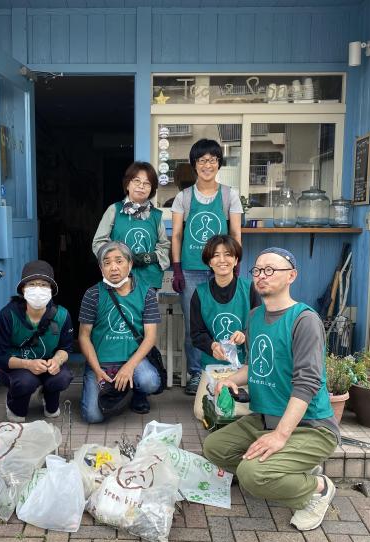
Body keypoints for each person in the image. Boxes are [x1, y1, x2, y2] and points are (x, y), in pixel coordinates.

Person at [202, 247, 339, 532]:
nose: (261, 276)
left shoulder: (305, 320)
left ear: (292, 276)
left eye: (270, 270)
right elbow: (256, 365)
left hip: (310, 427)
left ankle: (318, 489)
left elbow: (307, 383)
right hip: (265, 419)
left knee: (252, 476)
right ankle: (283, 470)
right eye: (257, 270)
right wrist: (232, 380)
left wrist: (280, 435)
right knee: (214, 447)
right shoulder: (254, 316)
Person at [170, 139, 243, 395]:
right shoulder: (184, 197)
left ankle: (228, 369)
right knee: (193, 325)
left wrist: (235, 265)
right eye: (201, 160)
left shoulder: (229, 195)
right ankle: (195, 373)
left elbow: (235, 232)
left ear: (219, 163)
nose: (207, 165)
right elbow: (176, 235)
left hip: (220, 268)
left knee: (220, 321)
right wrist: (177, 268)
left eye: (212, 159)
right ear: (194, 165)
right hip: (190, 269)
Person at [78, 241, 161, 422]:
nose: (113, 268)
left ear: (130, 264)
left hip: (133, 360)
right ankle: (105, 386)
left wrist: (129, 367)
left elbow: (150, 337)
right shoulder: (93, 294)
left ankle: (136, 393)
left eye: (119, 261)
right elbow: (83, 336)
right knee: (93, 417)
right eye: (107, 263)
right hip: (101, 362)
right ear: (101, 268)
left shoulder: (146, 293)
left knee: (150, 381)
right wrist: (97, 370)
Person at [0, 260, 75, 422]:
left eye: (44, 285)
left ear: (51, 290)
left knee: (61, 378)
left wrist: (57, 360)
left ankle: (47, 396)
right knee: (21, 403)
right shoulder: (8, 315)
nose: (38, 289)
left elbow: (66, 348)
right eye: (32, 284)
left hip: (47, 366)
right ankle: (14, 403)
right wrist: (28, 364)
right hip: (16, 368)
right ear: (23, 289)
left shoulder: (62, 315)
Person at [190, 234, 259, 420]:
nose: (222, 260)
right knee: (200, 411)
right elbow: (196, 334)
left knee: (253, 405)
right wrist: (212, 346)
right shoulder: (199, 293)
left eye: (228, 254)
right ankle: (231, 411)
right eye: (216, 255)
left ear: (236, 259)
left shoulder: (249, 289)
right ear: (209, 262)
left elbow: (262, 326)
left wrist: (245, 334)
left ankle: (231, 410)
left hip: (244, 365)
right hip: (214, 366)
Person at [92, 161, 171, 290]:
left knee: (148, 310)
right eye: (137, 181)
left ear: (152, 189)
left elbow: (164, 246)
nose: (141, 186)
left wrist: (150, 257)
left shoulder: (156, 215)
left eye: (147, 183)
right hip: (118, 279)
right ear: (128, 184)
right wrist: (118, 258)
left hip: (149, 280)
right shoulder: (114, 210)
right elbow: (98, 242)